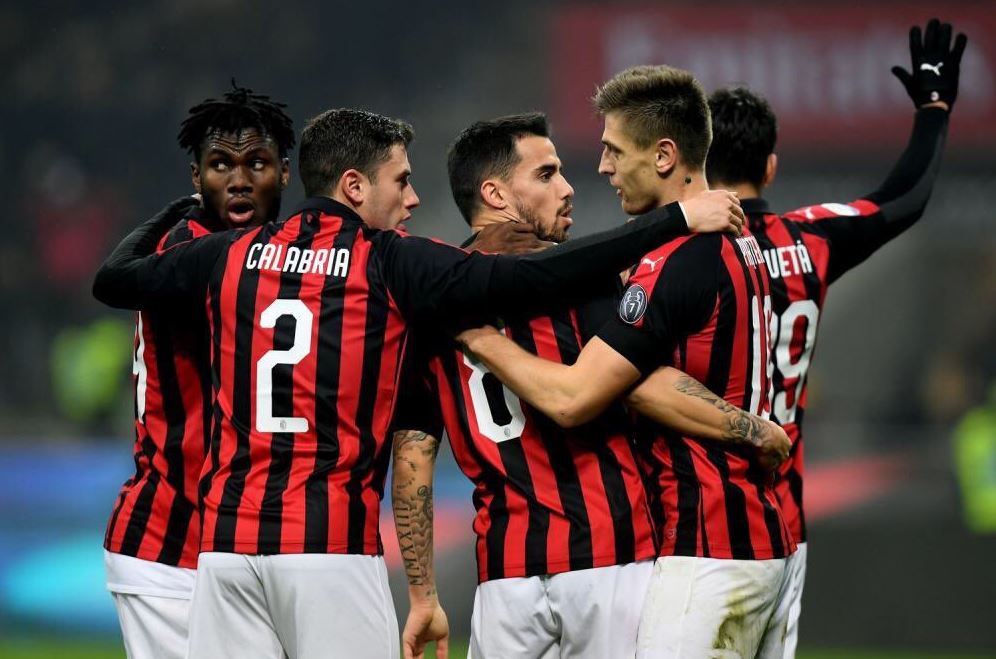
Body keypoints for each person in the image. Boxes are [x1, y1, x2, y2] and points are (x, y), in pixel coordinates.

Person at [92, 108, 745, 659]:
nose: (412, 199)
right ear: (354, 186)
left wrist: (170, 215)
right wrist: (676, 219)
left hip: (226, 549)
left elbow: (115, 279)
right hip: (327, 543)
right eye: (400, 181)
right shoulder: (389, 261)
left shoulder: (228, 253)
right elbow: (538, 276)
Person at [391, 112, 789, 659]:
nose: (568, 187)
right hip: (610, 559)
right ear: (495, 194)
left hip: (504, 575)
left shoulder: (433, 300)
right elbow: (642, 385)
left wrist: (423, 594)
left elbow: (413, 453)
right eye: (546, 174)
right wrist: (752, 430)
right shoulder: (578, 278)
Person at [705, 18, 965, 656]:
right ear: (771, 166)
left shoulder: (682, 257)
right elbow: (905, 198)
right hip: (786, 522)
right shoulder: (809, 239)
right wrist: (933, 112)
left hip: (705, 523)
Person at [102, 84, 293, 659]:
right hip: (169, 541)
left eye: (256, 163)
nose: (239, 180)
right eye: (220, 165)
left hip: (234, 543)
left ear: (285, 172)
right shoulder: (189, 251)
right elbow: (113, 281)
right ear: (196, 178)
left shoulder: (263, 253)